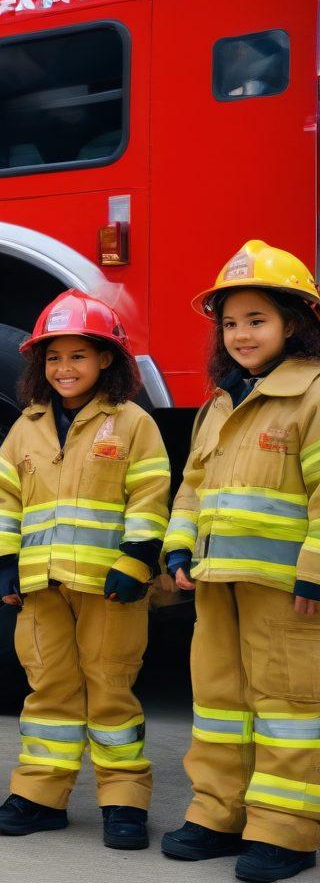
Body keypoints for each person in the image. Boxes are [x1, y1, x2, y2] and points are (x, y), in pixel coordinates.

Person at [0, 291, 170, 849]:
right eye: (54, 357)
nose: (64, 368)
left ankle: (124, 802)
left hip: (111, 588)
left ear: (106, 359)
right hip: (41, 588)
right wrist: (4, 564)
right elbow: (4, 498)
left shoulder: (132, 423)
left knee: (111, 690)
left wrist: (136, 560)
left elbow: (150, 494)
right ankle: (40, 797)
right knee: (48, 691)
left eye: (78, 356)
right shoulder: (26, 427)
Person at [160, 241, 320, 883]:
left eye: (257, 319)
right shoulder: (221, 401)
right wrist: (178, 545)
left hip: (286, 591)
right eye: (230, 323)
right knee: (219, 703)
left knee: (286, 706)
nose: (241, 334)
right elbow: (193, 486)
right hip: (216, 583)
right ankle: (218, 814)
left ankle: (286, 832)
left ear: (293, 323)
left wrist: (316, 570)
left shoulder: (311, 394)